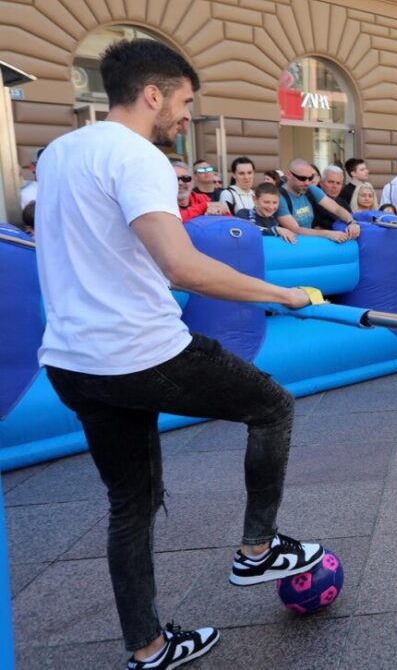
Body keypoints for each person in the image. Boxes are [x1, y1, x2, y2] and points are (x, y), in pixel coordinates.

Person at [33, 38, 325, 669]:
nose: (187, 117)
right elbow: (183, 265)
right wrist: (284, 294)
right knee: (272, 406)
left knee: (130, 505)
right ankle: (258, 549)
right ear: (153, 94)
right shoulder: (138, 157)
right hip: (142, 351)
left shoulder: (60, 152)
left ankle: (149, 647)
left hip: (73, 361)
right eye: (185, 102)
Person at [275, 160, 360, 243]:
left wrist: (351, 222)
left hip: (311, 241)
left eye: (310, 178)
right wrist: (328, 233)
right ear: (289, 175)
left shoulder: (310, 189)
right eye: (302, 178)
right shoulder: (280, 197)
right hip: (292, 244)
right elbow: (296, 229)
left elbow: (335, 208)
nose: (307, 182)